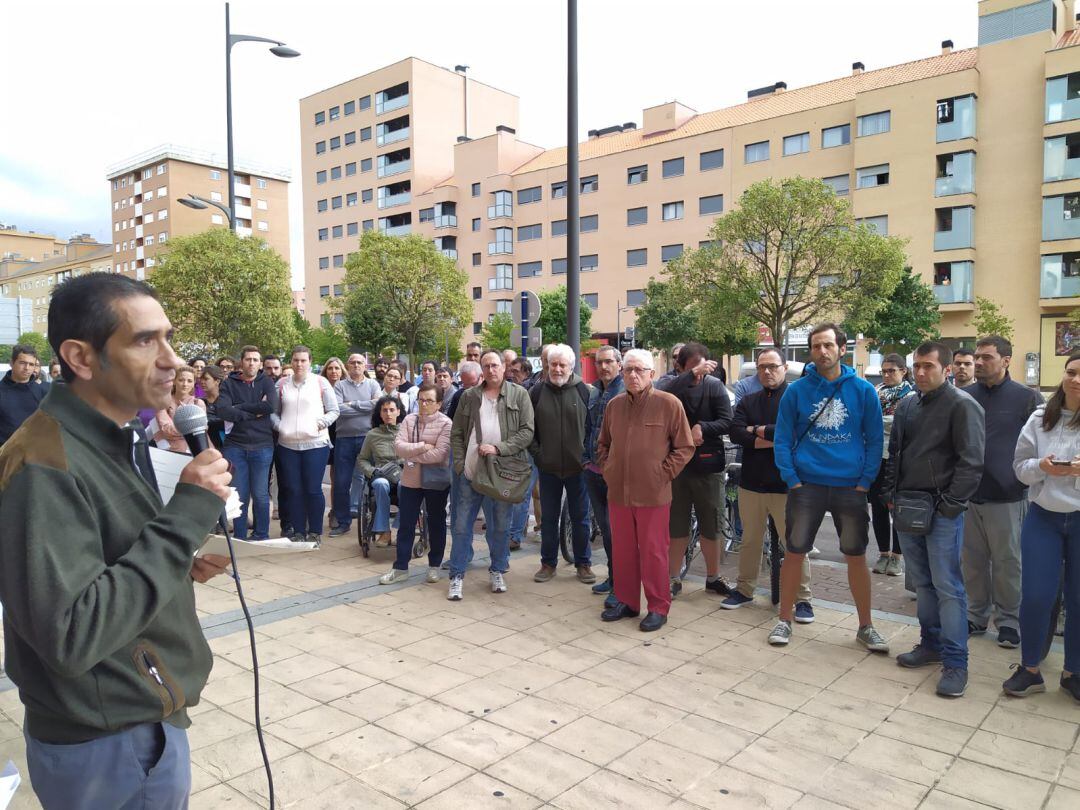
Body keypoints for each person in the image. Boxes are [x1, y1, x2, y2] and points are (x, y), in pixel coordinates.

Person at [0, 273, 231, 808]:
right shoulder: (43, 463)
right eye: (145, 341)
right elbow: (72, 632)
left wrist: (181, 559)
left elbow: (104, 555)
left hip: (137, 710)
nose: (172, 360)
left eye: (168, 338)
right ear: (81, 358)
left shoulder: (111, 437)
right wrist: (186, 516)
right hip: (108, 736)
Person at [770, 323, 889, 652]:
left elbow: (875, 438)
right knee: (793, 553)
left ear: (841, 349)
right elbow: (782, 438)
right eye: (815, 346)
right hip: (806, 485)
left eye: (827, 345)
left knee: (856, 556)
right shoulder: (797, 391)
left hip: (850, 487)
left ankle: (866, 626)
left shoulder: (863, 390)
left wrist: (865, 481)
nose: (821, 352)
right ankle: (784, 619)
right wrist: (791, 477)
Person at [884, 341, 985, 698]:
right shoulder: (908, 403)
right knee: (922, 585)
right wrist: (890, 496)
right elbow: (895, 452)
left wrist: (951, 506)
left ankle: (956, 663)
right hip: (908, 507)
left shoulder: (963, 405)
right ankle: (931, 645)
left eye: (929, 366)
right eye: (918, 366)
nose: (922, 372)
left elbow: (971, 462)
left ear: (946, 369)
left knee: (948, 587)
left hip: (942, 511)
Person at [597, 349, 693, 631]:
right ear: (622, 373)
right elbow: (602, 444)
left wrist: (662, 474)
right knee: (624, 551)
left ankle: (658, 607)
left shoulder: (668, 404)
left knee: (654, 552)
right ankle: (627, 602)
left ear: (652, 374)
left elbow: (685, 447)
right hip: (619, 494)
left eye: (640, 370)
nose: (633, 375)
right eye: (628, 370)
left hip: (653, 494)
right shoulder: (614, 405)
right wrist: (608, 468)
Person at [1003, 351, 1080, 701]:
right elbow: (1020, 467)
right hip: (1044, 517)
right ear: (1063, 375)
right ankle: (1030, 669)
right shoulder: (1040, 419)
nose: (1076, 379)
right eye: (1072, 372)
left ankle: (1072, 671)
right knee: (1036, 596)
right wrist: (1043, 467)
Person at [964, 335, 1043, 648]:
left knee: (1009, 563)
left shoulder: (1027, 398)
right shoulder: (964, 396)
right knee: (971, 562)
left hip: (1009, 497)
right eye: (977, 357)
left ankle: (1009, 621)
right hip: (968, 495)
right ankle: (975, 615)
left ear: (1007, 360)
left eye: (987, 357)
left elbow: (1040, 443)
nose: (980, 362)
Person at [725, 348, 813, 611]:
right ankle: (744, 589)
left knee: (795, 544)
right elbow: (736, 433)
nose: (766, 371)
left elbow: (799, 432)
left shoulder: (797, 398)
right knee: (750, 540)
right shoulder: (748, 401)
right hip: (751, 482)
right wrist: (777, 440)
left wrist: (757, 432)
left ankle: (802, 599)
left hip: (788, 485)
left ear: (784, 368)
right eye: (762, 367)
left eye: (773, 366)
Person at [447, 350, 535, 601]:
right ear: (481, 369)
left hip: (502, 473)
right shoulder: (469, 396)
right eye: (486, 366)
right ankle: (457, 575)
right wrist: (460, 463)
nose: (491, 370)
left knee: (499, 527)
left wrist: (499, 449)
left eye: (495, 365)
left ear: (504, 367)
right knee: (462, 525)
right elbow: (457, 433)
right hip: (470, 472)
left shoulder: (519, 394)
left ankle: (497, 570)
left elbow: (527, 432)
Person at [656, 343, 733, 599]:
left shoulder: (714, 386)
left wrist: (704, 428)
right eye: (692, 368)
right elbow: (663, 398)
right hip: (677, 466)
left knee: (711, 525)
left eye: (703, 367)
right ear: (681, 366)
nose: (699, 373)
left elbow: (728, 421)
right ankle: (672, 577)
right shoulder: (673, 387)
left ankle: (713, 576)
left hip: (707, 466)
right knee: (676, 525)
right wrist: (690, 375)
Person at [530, 344, 595, 584]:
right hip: (548, 468)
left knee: (580, 518)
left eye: (562, 365)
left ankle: (584, 564)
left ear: (571, 366)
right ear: (547, 366)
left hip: (579, 469)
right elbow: (529, 430)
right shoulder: (536, 392)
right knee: (548, 518)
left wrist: (586, 457)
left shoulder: (585, 391)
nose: (557, 369)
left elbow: (593, 429)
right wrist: (539, 455)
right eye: (553, 364)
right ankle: (548, 564)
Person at [381, 382, 453, 584]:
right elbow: (398, 448)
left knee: (437, 523)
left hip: (436, 481)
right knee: (406, 524)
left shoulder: (446, 423)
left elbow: (440, 454)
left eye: (429, 401)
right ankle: (400, 568)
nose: (424, 404)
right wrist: (422, 446)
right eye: (421, 399)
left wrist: (411, 454)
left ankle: (434, 566)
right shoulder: (409, 420)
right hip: (411, 480)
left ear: (438, 404)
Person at [273, 346, 338, 546]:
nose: (299, 364)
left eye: (303, 360)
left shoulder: (321, 382)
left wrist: (321, 423)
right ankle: (299, 531)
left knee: (312, 489)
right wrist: (280, 426)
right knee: (293, 489)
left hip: (316, 444)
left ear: (310, 361)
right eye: (295, 360)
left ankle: (315, 531)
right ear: (291, 362)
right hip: (287, 445)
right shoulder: (282, 383)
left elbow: (334, 410)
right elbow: (272, 412)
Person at [216, 346, 279, 540]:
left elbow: (271, 406)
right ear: (241, 362)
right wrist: (253, 412)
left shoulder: (266, 382)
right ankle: (240, 536)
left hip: (262, 446)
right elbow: (223, 410)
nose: (251, 363)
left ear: (260, 364)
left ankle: (261, 534)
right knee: (239, 494)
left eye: (255, 360)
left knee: (260, 494)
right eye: (248, 359)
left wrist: (240, 408)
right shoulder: (229, 384)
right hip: (236, 446)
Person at [583, 345, 624, 606]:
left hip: (614, 473)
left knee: (616, 531)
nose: (604, 366)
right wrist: (585, 459)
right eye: (599, 362)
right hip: (593, 470)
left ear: (619, 364)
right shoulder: (596, 390)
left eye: (609, 361)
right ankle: (614, 578)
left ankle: (621, 584)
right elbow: (588, 427)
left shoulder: (624, 390)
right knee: (607, 531)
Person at [869, 354, 916, 576]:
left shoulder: (912, 395)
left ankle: (898, 556)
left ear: (903, 371)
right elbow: (866, 420)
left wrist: (879, 421)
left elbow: (904, 423)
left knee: (896, 507)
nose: (887, 375)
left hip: (899, 458)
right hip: (876, 456)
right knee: (877, 506)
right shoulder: (875, 392)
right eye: (884, 371)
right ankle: (883, 553)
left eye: (892, 371)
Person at [330, 353, 382, 537]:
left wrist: (352, 404)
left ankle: (373, 520)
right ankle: (343, 522)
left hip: (367, 439)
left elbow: (378, 406)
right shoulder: (340, 386)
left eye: (360, 362)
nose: (356, 366)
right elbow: (338, 410)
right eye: (352, 363)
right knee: (341, 483)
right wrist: (365, 406)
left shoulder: (373, 385)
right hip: (344, 439)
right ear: (347, 365)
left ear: (365, 365)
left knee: (372, 480)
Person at [358, 396, 405, 547]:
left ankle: (400, 529)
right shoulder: (372, 434)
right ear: (380, 413)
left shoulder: (406, 431)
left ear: (398, 412)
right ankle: (384, 532)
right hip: (381, 474)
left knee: (405, 485)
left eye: (392, 410)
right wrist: (372, 471)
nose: (388, 414)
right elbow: (362, 459)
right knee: (380, 484)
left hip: (402, 474)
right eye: (385, 410)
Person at [152, 365, 205, 454]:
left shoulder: (198, 403)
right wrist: (190, 428)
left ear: (194, 383)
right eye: (181, 380)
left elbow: (200, 430)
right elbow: (166, 429)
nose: (185, 384)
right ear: (174, 381)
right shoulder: (163, 401)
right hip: (165, 451)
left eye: (189, 381)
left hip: (192, 452)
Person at [0, 344, 46, 446]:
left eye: (31, 364)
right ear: (11, 363)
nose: (27, 368)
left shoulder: (44, 391)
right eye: (22, 363)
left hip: (37, 454)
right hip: (5, 455)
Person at [321, 357, 345, 528]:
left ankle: (335, 511)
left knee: (337, 477)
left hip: (340, 433)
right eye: (330, 368)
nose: (334, 371)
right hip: (322, 432)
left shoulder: (345, 387)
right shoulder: (319, 386)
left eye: (337, 368)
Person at [199, 365, 227, 449]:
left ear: (217, 381)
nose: (202, 382)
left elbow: (228, 422)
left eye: (206, 379)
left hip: (227, 446)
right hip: (205, 446)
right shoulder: (199, 402)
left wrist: (207, 422)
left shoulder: (228, 400)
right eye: (201, 379)